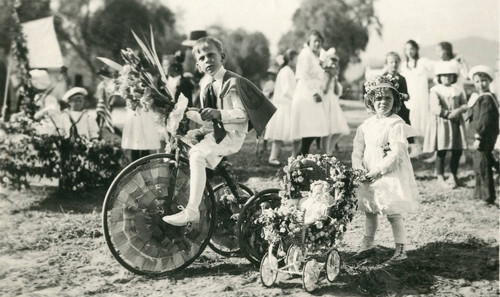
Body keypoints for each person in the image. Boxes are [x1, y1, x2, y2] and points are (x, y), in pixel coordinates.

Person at [162, 37, 276, 226]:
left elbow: (242, 115)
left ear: (221, 56)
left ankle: (192, 211)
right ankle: (195, 199)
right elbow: (207, 119)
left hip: (231, 135)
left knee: (197, 154)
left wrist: (218, 113)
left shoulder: (232, 82)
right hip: (216, 133)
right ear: (198, 65)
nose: (207, 60)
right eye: (202, 58)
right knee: (182, 148)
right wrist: (188, 113)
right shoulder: (207, 85)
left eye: (211, 55)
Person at [352, 74, 420, 264]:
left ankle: (401, 249)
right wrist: (358, 168)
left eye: (388, 98)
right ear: (371, 101)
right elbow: (357, 150)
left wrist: (378, 171)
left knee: (392, 212)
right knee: (370, 210)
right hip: (366, 172)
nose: (383, 102)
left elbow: (396, 153)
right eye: (378, 98)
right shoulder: (365, 126)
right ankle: (368, 243)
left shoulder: (396, 123)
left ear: (395, 101)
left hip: (387, 172)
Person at [423, 61, 468, 188]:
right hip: (442, 123)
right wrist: (449, 114)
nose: (447, 78)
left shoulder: (458, 90)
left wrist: (459, 110)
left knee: (457, 150)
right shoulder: (435, 90)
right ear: (439, 77)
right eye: (444, 75)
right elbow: (435, 108)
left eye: (449, 75)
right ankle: (440, 176)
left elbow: (465, 104)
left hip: (456, 124)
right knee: (442, 150)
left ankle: (453, 174)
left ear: (454, 77)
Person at [290, 30, 329, 156]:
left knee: (315, 127)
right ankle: (301, 155)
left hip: (312, 91)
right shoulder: (305, 54)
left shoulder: (314, 55)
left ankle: (302, 154)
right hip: (306, 93)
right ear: (309, 42)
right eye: (315, 41)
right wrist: (314, 93)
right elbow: (304, 75)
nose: (317, 44)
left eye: (319, 41)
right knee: (311, 126)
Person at [467, 65, 499, 205]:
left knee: (484, 166)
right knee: (478, 165)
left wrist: (478, 136)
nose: (481, 84)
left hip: (483, 137)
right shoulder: (478, 97)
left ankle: (487, 197)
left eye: (484, 80)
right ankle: (479, 193)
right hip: (477, 137)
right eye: (477, 81)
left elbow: (484, 119)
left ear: (489, 81)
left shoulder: (487, 99)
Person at [265, 49, 298, 166]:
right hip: (285, 105)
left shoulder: (287, 71)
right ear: (291, 60)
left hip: (285, 104)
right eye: (296, 59)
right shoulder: (286, 71)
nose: (297, 61)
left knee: (282, 134)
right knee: (284, 133)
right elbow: (286, 90)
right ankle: (293, 158)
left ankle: (286, 158)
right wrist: (297, 98)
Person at [400, 40, 434, 136]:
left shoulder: (422, 62)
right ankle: (412, 140)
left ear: (416, 49)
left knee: (422, 118)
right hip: (409, 96)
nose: (409, 51)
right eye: (406, 49)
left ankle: (424, 140)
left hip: (421, 96)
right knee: (410, 117)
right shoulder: (403, 65)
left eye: (411, 48)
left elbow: (437, 67)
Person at [320, 48, 349, 155]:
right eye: (332, 63)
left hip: (333, 103)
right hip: (326, 103)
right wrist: (329, 76)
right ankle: (325, 152)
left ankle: (329, 151)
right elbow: (324, 90)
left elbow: (337, 92)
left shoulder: (334, 76)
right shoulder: (325, 74)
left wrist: (335, 78)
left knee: (338, 130)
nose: (334, 65)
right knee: (326, 131)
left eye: (335, 64)